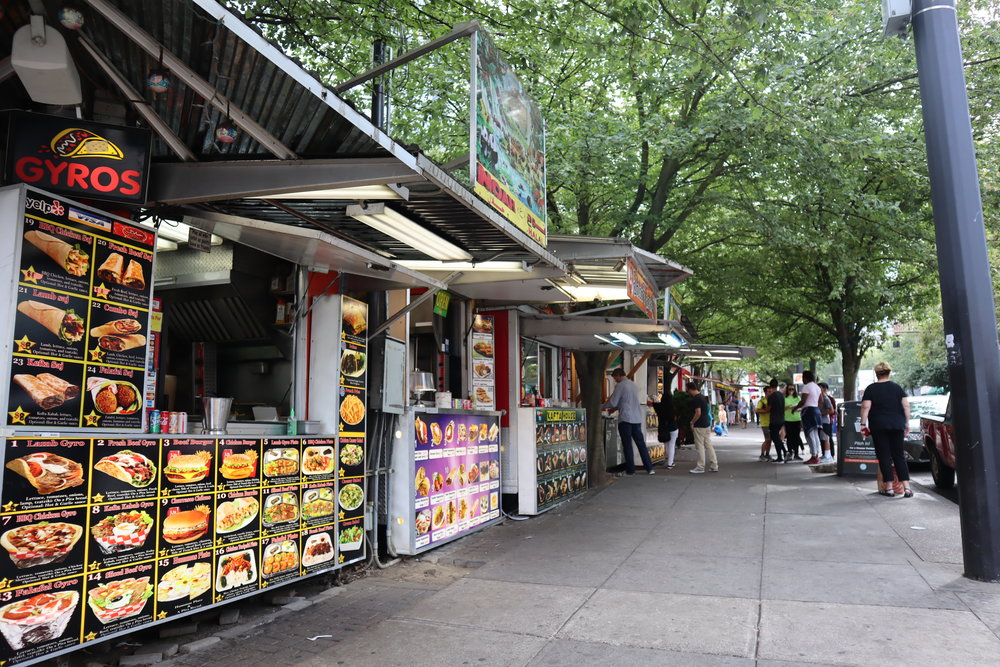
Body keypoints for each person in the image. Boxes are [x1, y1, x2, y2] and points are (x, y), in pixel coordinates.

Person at [860, 361, 912, 497]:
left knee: (884, 455)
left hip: (879, 426)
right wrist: (906, 423)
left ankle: (889, 488)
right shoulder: (897, 388)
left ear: (876, 374)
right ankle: (907, 488)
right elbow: (906, 406)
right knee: (899, 455)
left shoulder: (871, 389)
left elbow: (865, 407)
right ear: (889, 372)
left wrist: (863, 424)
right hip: (897, 424)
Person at [604, 368, 655, 475]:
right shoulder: (634, 385)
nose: (615, 380)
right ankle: (650, 468)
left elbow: (613, 402)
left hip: (626, 419)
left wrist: (602, 406)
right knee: (641, 444)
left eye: (614, 378)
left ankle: (631, 470)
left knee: (627, 445)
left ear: (618, 375)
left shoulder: (620, 385)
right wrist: (617, 408)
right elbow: (626, 402)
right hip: (636, 419)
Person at [793, 370, 830, 464]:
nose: (802, 381)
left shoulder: (807, 387)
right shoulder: (817, 387)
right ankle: (816, 454)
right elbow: (821, 401)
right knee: (815, 434)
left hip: (809, 411)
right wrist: (816, 409)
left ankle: (814, 456)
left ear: (805, 378)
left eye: (803, 379)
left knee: (809, 434)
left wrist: (795, 408)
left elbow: (803, 401)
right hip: (816, 411)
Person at [686, 382, 718, 473]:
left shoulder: (696, 399)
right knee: (708, 445)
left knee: (699, 445)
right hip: (706, 424)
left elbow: (698, 412)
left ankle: (700, 466)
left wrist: (692, 422)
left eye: (687, 389)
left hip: (699, 425)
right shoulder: (703, 397)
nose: (687, 392)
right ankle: (714, 465)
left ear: (690, 389)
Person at [651, 392, 678, 469]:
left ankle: (670, 461)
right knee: (672, 445)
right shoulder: (673, 407)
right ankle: (670, 463)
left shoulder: (659, 406)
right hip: (673, 428)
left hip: (663, 429)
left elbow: (651, 403)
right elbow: (676, 418)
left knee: (666, 445)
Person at [767, 379, 787, 463]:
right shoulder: (781, 395)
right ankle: (781, 455)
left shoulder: (771, 396)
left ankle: (783, 453)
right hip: (781, 418)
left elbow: (768, 409)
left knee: (775, 438)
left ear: (770, 386)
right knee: (776, 438)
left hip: (774, 419)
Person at [783, 385, 804, 460]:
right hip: (788, 420)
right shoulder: (785, 398)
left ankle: (796, 454)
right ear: (787, 390)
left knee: (797, 437)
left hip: (797, 419)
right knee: (789, 437)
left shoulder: (798, 398)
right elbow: (782, 408)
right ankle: (790, 453)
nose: (791, 390)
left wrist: (799, 409)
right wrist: (788, 407)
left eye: (792, 389)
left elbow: (802, 406)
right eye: (789, 389)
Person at [819, 382, 837, 459]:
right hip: (821, 421)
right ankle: (825, 454)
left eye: (819, 387)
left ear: (824, 389)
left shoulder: (827, 398)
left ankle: (829, 455)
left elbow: (832, 410)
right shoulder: (820, 398)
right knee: (823, 438)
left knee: (827, 438)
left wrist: (821, 413)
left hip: (827, 421)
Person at [756, 387, 773, 461]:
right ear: (765, 392)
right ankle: (762, 455)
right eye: (769, 391)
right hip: (765, 423)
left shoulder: (772, 400)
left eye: (771, 391)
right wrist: (766, 410)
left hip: (772, 422)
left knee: (770, 440)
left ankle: (767, 454)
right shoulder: (762, 401)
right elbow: (757, 410)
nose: (770, 393)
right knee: (767, 439)